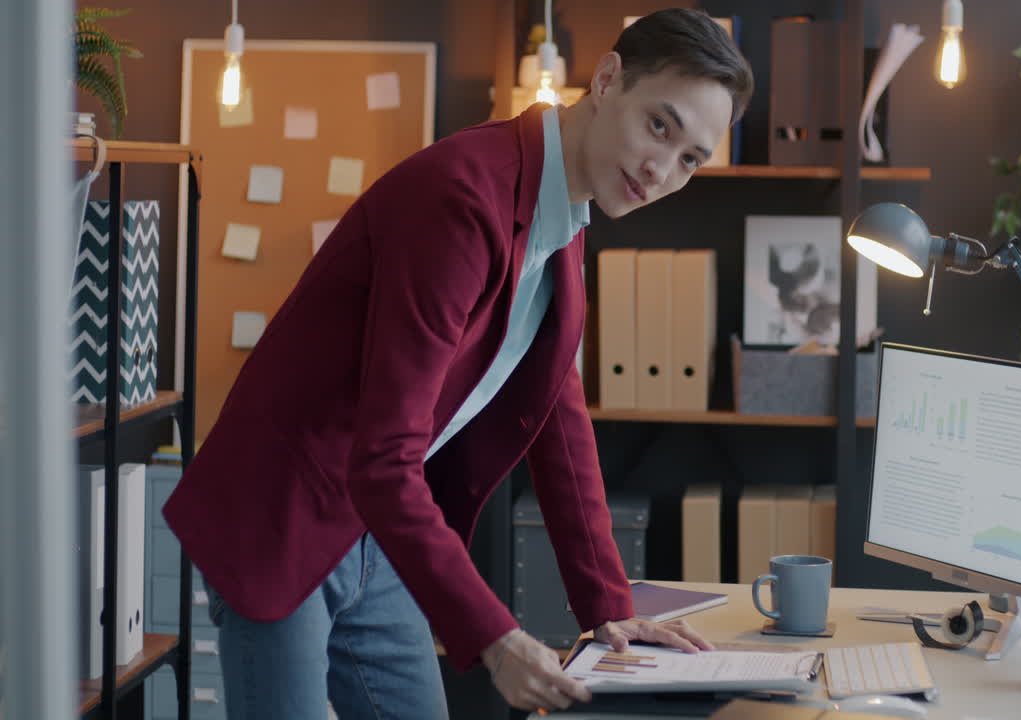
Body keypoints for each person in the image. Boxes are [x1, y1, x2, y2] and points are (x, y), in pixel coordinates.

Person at [162, 7, 753, 719]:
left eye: (691, 157)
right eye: (660, 124)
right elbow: (384, 456)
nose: (663, 168)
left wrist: (606, 608)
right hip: (283, 511)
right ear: (606, 80)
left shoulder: (563, 208)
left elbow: (557, 417)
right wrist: (499, 639)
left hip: (372, 523)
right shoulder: (465, 196)